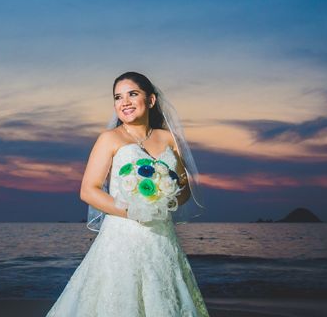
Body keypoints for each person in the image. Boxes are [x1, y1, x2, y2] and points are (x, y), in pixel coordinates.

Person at [46, 71, 210, 316]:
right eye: (118, 97)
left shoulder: (168, 139)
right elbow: (88, 190)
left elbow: (183, 189)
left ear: (151, 100)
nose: (124, 102)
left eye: (132, 94)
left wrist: (165, 200)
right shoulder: (109, 139)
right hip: (122, 237)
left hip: (161, 237)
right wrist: (133, 210)